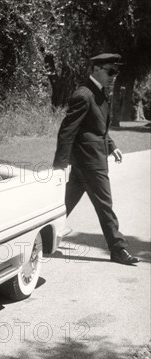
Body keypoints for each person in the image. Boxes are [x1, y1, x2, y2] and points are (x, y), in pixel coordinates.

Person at [53, 53, 139, 266]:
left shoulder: (98, 94)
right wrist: (59, 166)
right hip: (89, 163)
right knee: (104, 205)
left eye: (116, 72)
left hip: (93, 160)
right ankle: (118, 249)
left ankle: (40, 234)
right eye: (110, 71)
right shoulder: (84, 95)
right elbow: (67, 131)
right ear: (96, 70)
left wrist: (111, 146)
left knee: (63, 204)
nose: (114, 76)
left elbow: (97, 128)